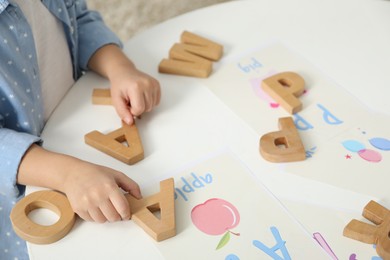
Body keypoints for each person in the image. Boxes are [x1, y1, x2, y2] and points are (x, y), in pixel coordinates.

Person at [0, 0, 161, 259]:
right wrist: (68, 175)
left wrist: (119, 68)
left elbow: (79, 19)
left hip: (74, 126)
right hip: (25, 185)